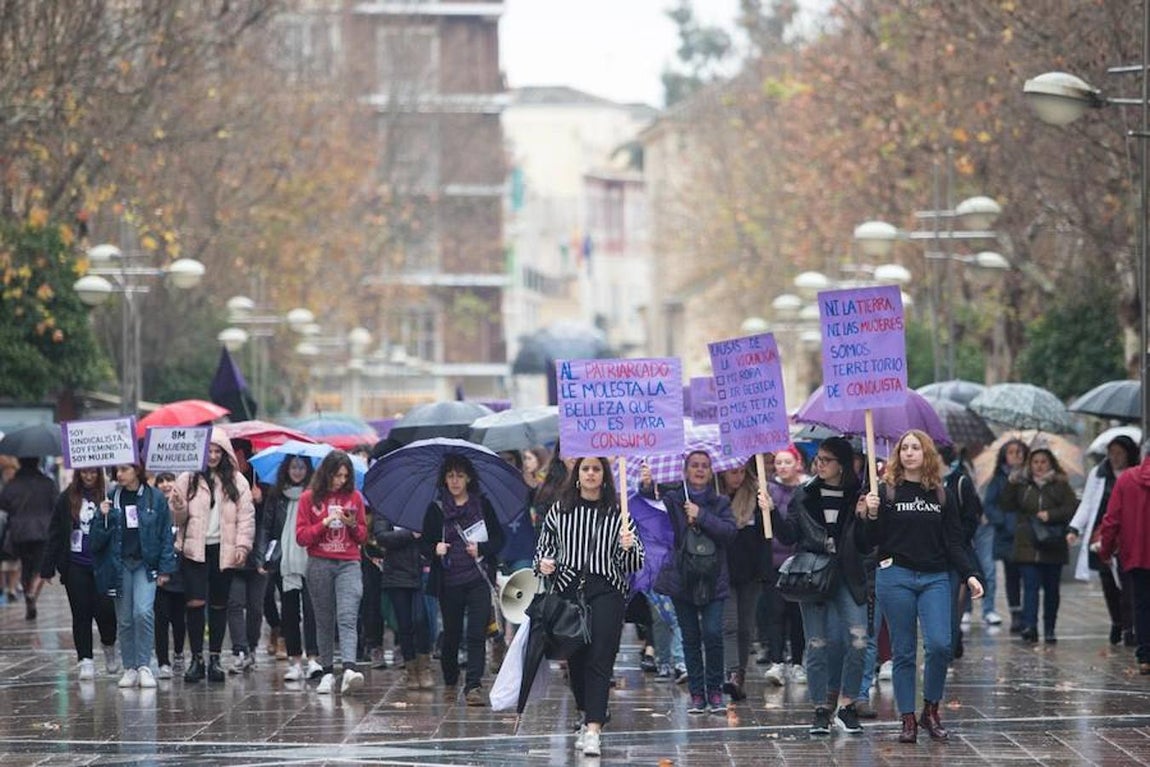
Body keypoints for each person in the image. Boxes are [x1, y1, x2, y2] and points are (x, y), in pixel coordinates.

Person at [858, 430, 984, 744]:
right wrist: (870, 515)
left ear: (926, 454)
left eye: (916, 448)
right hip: (895, 575)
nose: (909, 453)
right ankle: (908, 719)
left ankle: (931, 709)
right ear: (898, 454)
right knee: (903, 652)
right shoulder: (886, 492)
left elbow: (954, 541)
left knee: (941, 644)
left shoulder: (941, 493)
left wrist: (970, 574)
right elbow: (866, 543)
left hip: (935, 577)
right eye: (904, 448)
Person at [536, 455, 644, 758]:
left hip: (607, 589)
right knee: (577, 658)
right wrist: (544, 563)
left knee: (601, 656)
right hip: (569, 588)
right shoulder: (561, 508)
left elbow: (634, 563)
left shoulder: (618, 512)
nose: (591, 474)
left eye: (597, 469)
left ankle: (594, 727)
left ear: (605, 475)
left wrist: (628, 546)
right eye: (586, 469)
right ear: (578, 474)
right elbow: (544, 547)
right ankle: (585, 712)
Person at [766, 436, 868, 736]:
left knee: (859, 640)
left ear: (842, 465)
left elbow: (867, 543)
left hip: (848, 574)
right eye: (818, 459)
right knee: (817, 644)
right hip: (814, 576)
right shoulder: (804, 494)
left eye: (826, 460)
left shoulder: (858, 494)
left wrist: (867, 516)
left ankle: (847, 705)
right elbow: (787, 536)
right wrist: (770, 510)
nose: (819, 465)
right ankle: (821, 708)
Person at [642, 450, 737, 716]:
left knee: (712, 634)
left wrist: (702, 516)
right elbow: (651, 505)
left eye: (704, 466)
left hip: (713, 578)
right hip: (682, 579)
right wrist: (647, 484)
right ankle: (697, 693)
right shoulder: (674, 499)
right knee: (691, 637)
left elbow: (730, 532)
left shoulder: (720, 502)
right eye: (694, 465)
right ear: (685, 470)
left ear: (710, 471)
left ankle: (715, 690)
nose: (699, 470)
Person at [169, 428, 256, 683]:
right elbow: (177, 519)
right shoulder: (187, 478)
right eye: (209, 450)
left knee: (219, 605)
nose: (213, 455)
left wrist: (243, 546)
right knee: (195, 604)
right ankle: (196, 658)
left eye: (218, 451)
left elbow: (246, 516)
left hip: (224, 550)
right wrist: (177, 504)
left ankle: (215, 658)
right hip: (194, 551)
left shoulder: (237, 481)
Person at [421, 453, 506, 706]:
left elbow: (500, 539)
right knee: (452, 633)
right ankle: (450, 678)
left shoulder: (483, 505)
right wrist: (434, 549)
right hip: (448, 581)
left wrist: (482, 549)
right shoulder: (436, 509)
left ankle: (473, 685)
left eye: (459, 475)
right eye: (450, 476)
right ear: (444, 480)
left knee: (476, 633)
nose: (455, 480)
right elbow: (424, 544)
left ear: (469, 478)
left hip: (478, 577)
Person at [90, 461, 178, 689]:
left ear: (136, 470)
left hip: (145, 564)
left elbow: (165, 533)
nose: (119, 474)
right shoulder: (111, 497)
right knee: (125, 619)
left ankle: (144, 665)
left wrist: (166, 567)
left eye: (124, 469)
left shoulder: (154, 497)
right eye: (117, 470)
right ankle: (129, 666)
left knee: (143, 612)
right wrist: (102, 516)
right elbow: (96, 541)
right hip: (119, 565)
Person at [296, 450, 368, 694]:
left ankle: (349, 668)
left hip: (349, 562)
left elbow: (363, 536)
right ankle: (327, 671)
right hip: (319, 562)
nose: (340, 481)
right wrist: (324, 523)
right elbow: (302, 537)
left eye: (345, 476)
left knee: (348, 616)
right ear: (326, 473)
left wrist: (351, 524)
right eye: (337, 475)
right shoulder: (309, 499)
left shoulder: (355, 497)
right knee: (324, 619)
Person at [40, 467, 119, 680]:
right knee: (81, 613)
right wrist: (48, 566)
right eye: (84, 472)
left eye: (93, 472)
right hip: (76, 564)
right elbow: (55, 532)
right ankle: (85, 659)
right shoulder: (67, 497)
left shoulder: (110, 494)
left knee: (106, 611)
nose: (89, 476)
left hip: (103, 565)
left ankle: (109, 646)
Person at [1000, 446, 1077, 644]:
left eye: (1043, 462)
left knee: (1052, 589)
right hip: (1027, 543)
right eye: (1035, 462)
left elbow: (1071, 508)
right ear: (1030, 464)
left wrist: (1051, 515)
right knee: (1030, 586)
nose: (1039, 466)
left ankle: (1049, 627)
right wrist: (1011, 482)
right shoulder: (1022, 483)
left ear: (1050, 463)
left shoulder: (1060, 484)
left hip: (1053, 542)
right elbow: (1006, 505)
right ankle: (1030, 626)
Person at [1068, 435, 1139, 646]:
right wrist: (1074, 528)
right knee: (1108, 582)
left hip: (1128, 537)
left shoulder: (1134, 475)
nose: (1115, 458)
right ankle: (1117, 621)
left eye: (1120, 453)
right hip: (1102, 536)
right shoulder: (1098, 474)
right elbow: (1088, 504)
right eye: (1112, 453)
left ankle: (1129, 627)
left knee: (1128, 584)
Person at [265, 455, 323, 682]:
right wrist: (263, 558)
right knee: (289, 613)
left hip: (311, 558)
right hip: (285, 561)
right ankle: (295, 661)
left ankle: (314, 659)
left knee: (312, 611)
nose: (297, 471)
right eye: (293, 466)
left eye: (301, 467)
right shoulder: (277, 496)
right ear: (286, 469)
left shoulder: (316, 496)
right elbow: (268, 528)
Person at [1098, 439, 1150, 675]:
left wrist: (1106, 550)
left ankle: (1146, 656)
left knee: (1141, 603)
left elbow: (1111, 520)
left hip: (1137, 554)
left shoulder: (1127, 479)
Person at [719, 458, 769, 702]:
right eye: (732, 472)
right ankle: (731, 673)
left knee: (745, 627)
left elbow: (768, 534)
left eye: (740, 472)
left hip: (751, 571)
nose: (737, 477)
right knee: (729, 624)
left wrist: (767, 509)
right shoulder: (716, 497)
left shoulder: (756, 496)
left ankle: (740, 674)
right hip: (723, 570)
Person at [761, 446, 807, 686]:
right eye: (778, 462)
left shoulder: (807, 490)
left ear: (797, 463)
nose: (782, 466)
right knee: (775, 613)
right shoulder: (767, 489)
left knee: (797, 615)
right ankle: (777, 661)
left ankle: (798, 662)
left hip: (799, 562)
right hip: (774, 561)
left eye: (787, 461)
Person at [374, 512, 434, 690]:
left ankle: (424, 666)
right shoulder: (386, 509)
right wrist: (409, 534)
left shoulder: (424, 508)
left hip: (420, 572)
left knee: (421, 620)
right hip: (396, 575)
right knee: (404, 624)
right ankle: (411, 669)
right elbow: (382, 537)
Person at [226, 441, 270, 674]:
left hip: (258, 555)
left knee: (255, 606)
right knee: (234, 603)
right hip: (232, 552)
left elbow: (270, 520)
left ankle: (251, 647)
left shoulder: (261, 479)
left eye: (238, 454)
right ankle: (239, 650)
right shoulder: (224, 480)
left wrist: (261, 501)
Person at [0, 456, 57, 620]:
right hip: (43, 530)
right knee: (40, 568)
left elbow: (4, 504)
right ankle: (32, 593)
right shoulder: (48, 483)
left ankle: (28, 598)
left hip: (19, 532)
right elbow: (56, 504)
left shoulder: (13, 484)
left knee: (25, 566)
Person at [983, 438, 1028, 633]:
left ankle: (1029, 613)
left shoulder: (1030, 476)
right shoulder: (998, 478)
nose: (1015, 456)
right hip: (1007, 536)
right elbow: (989, 504)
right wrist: (1002, 521)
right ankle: (1015, 613)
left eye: (1019, 452)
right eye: (1011, 452)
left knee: (1029, 576)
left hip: (1027, 534)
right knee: (1012, 576)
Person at [151, 471, 186, 679]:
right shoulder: (153, 508)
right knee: (161, 618)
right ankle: (163, 660)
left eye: (169, 480)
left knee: (179, 618)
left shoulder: (183, 504)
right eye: (161, 481)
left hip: (182, 571)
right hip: (159, 572)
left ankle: (179, 652)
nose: (165, 485)